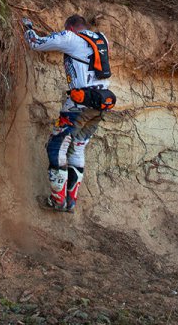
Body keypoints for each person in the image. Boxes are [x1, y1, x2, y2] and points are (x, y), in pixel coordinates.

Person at [23, 13, 116, 213]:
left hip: (78, 105)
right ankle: (70, 201)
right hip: (100, 104)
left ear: (70, 27)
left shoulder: (71, 37)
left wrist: (28, 27)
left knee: (57, 146)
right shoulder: (101, 39)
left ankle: (58, 201)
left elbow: (35, 43)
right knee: (78, 147)